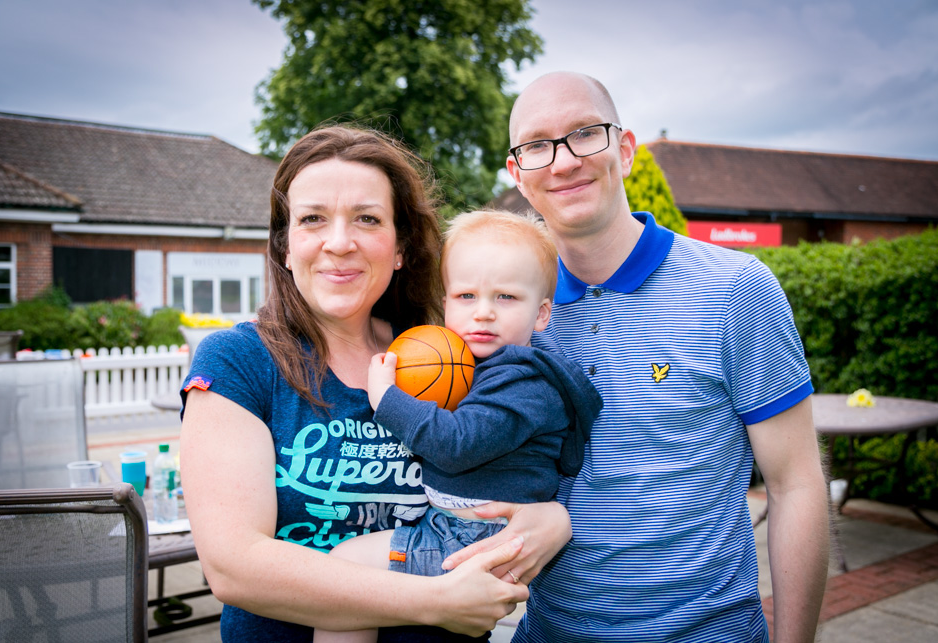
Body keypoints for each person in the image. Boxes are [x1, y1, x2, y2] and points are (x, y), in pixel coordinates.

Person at [447, 72, 831, 641]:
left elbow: (796, 484)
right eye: (537, 145)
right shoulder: (500, 314)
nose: (563, 162)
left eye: (585, 133)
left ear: (624, 150)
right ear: (518, 174)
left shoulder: (734, 289)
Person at [178, 126, 574, 642]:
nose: (340, 242)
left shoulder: (449, 350)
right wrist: (435, 602)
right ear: (285, 246)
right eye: (313, 219)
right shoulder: (241, 360)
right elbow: (234, 567)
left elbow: (521, 455)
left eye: (367, 218)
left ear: (400, 246)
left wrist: (553, 520)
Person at [315, 210, 603, 643]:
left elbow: (457, 444)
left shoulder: (524, 382)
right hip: (457, 526)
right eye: (466, 296)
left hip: (474, 537)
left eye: (506, 297)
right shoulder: (488, 367)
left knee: (345, 569)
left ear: (542, 314)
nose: (483, 313)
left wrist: (387, 398)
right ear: (445, 303)